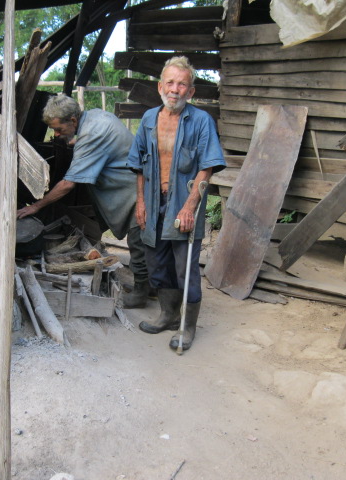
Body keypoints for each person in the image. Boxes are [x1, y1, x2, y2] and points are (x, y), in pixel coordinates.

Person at [127, 56, 226, 351]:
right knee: (158, 263)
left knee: (185, 268)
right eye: (170, 82)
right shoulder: (147, 120)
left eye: (182, 84)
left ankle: (187, 327)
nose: (175, 89)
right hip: (154, 202)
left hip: (182, 201)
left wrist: (189, 207)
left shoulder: (201, 121)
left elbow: (206, 168)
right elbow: (140, 166)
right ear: (160, 86)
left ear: (191, 92)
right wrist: (141, 204)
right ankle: (168, 315)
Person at [16, 94, 150, 308]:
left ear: (73, 120)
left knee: (139, 242)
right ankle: (150, 287)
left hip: (136, 191)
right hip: (130, 188)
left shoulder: (92, 133)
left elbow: (69, 184)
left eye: (59, 129)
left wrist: (36, 206)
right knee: (142, 241)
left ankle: (142, 294)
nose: (57, 135)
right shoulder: (96, 115)